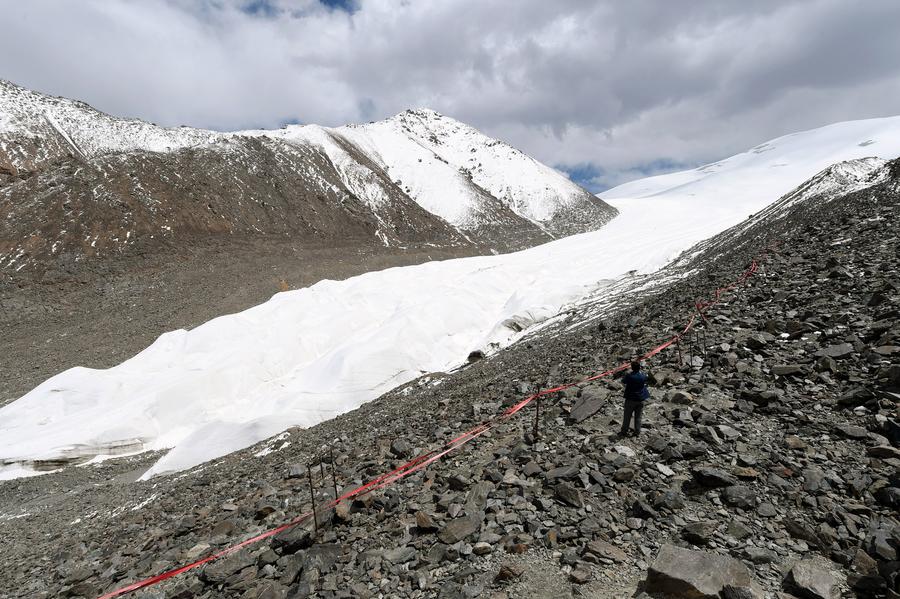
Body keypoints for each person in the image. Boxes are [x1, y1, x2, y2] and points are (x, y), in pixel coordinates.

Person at [619, 360, 650, 437]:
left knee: (627, 416)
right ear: (639, 367)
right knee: (638, 416)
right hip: (640, 399)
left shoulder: (629, 376)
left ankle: (624, 431)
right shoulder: (643, 375)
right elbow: (646, 380)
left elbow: (623, 382)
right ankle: (637, 431)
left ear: (632, 368)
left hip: (630, 398)